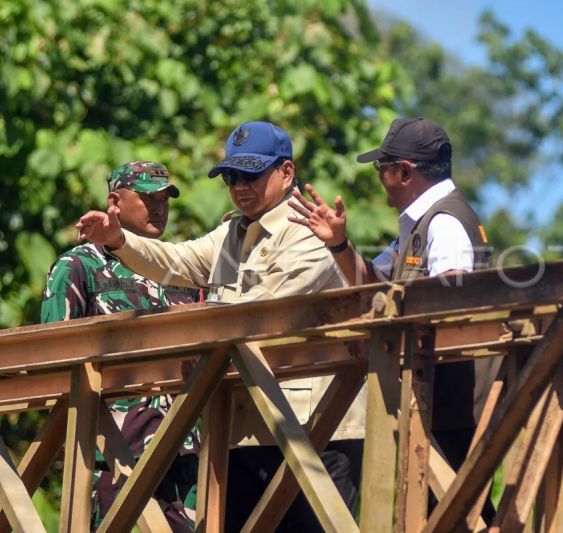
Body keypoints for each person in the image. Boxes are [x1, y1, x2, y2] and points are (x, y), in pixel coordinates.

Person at [75, 122, 364, 531]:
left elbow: (264, 311)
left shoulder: (310, 230)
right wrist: (119, 240)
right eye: (231, 177)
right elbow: (177, 262)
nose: (240, 187)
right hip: (245, 428)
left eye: (252, 174)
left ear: (286, 173)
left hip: (313, 428)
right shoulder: (233, 231)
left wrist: (193, 328)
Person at [288, 117, 495, 514]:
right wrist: (340, 246)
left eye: (381, 168)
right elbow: (376, 282)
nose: (379, 177)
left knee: (457, 514)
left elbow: (452, 303)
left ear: (404, 171)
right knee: (448, 512)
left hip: (452, 400)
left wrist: (383, 336)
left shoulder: (445, 222)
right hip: (437, 398)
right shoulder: (421, 223)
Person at [42, 160, 200, 531]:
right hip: (115, 454)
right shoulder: (79, 266)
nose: (159, 207)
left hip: (187, 453)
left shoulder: (181, 271)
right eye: (148, 198)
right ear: (115, 201)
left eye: (165, 199)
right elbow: (53, 359)